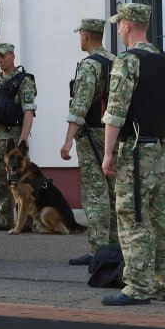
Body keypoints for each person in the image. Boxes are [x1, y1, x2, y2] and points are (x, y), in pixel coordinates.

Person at [100, 3, 165, 306]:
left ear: (129, 25)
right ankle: (164, 282)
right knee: (160, 217)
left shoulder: (127, 62)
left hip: (134, 152)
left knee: (133, 216)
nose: (118, 29)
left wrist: (108, 153)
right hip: (159, 149)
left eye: (119, 24)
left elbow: (115, 113)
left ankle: (137, 286)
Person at [60, 18, 118, 266]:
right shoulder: (116, 61)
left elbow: (80, 106)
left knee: (96, 194)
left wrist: (67, 140)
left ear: (85, 35)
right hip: (113, 135)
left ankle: (99, 251)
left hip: (92, 136)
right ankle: (116, 247)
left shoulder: (89, 66)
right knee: (114, 193)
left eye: (80, 34)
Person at [0, 42, 36, 231]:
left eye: (3, 56)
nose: (0, 60)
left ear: (12, 56)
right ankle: (4, 219)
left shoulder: (23, 80)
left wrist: (24, 138)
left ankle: (25, 221)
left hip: (13, 138)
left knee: (21, 179)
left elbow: (28, 111)